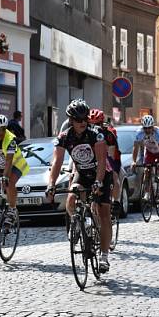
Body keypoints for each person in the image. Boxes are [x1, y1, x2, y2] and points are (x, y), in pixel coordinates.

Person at [45, 99, 112, 274]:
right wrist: (51, 185)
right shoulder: (64, 138)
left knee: (104, 212)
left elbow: (101, 161)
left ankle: (104, 256)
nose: (82, 123)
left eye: (85, 119)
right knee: (72, 196)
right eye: (78, 120)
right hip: (82, 173)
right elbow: (57, 162)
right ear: (71, 121)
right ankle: (78, 222)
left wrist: (98, 182)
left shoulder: (95, 134)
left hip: (101, 172)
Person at [88, 109, 122, 215]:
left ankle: (116, 202)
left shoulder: (109, 135)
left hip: (111, 158)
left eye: (97, 124)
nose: (94, 127)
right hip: (94, 158)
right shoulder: (87, 133)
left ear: (102, 123)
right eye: (91, 124)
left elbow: (110, 155)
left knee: (114, 175)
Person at [132, 115, 159, 203]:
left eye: (149, 128)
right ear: (142, 128)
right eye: (145, 128)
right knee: (147, 171)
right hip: (149, 151)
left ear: (153, 127)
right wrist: (133, 161)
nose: (147, 130)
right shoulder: (139, 133)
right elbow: (135, 147)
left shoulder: (158, 132)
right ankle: (147, 193)